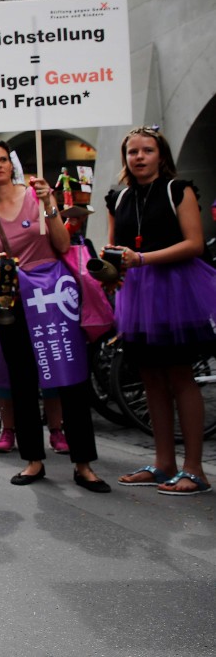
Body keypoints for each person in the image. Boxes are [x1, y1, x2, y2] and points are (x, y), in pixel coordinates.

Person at [0, 141, 108, 492]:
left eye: (2, 159)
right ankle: (33, 460)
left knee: (71, 374)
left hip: (55, 295)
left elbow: (61, 245)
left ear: (9, 165)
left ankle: (84, 464)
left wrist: (49, 205)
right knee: (22, 380)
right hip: (14, 299)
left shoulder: (37, 195)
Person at [108, 126, 216, 495]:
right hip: (137, 296)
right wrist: (109, 272)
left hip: (176, 290)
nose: (138, 157)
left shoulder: (178, 189)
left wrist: (141, 258)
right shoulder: (118, 199)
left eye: (146, 150)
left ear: (160, 155)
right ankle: (163, 463)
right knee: (150, 378)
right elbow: (113, 251)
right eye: (132, 152)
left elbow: (195, 244)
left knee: (179, 376)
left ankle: (195, 469)